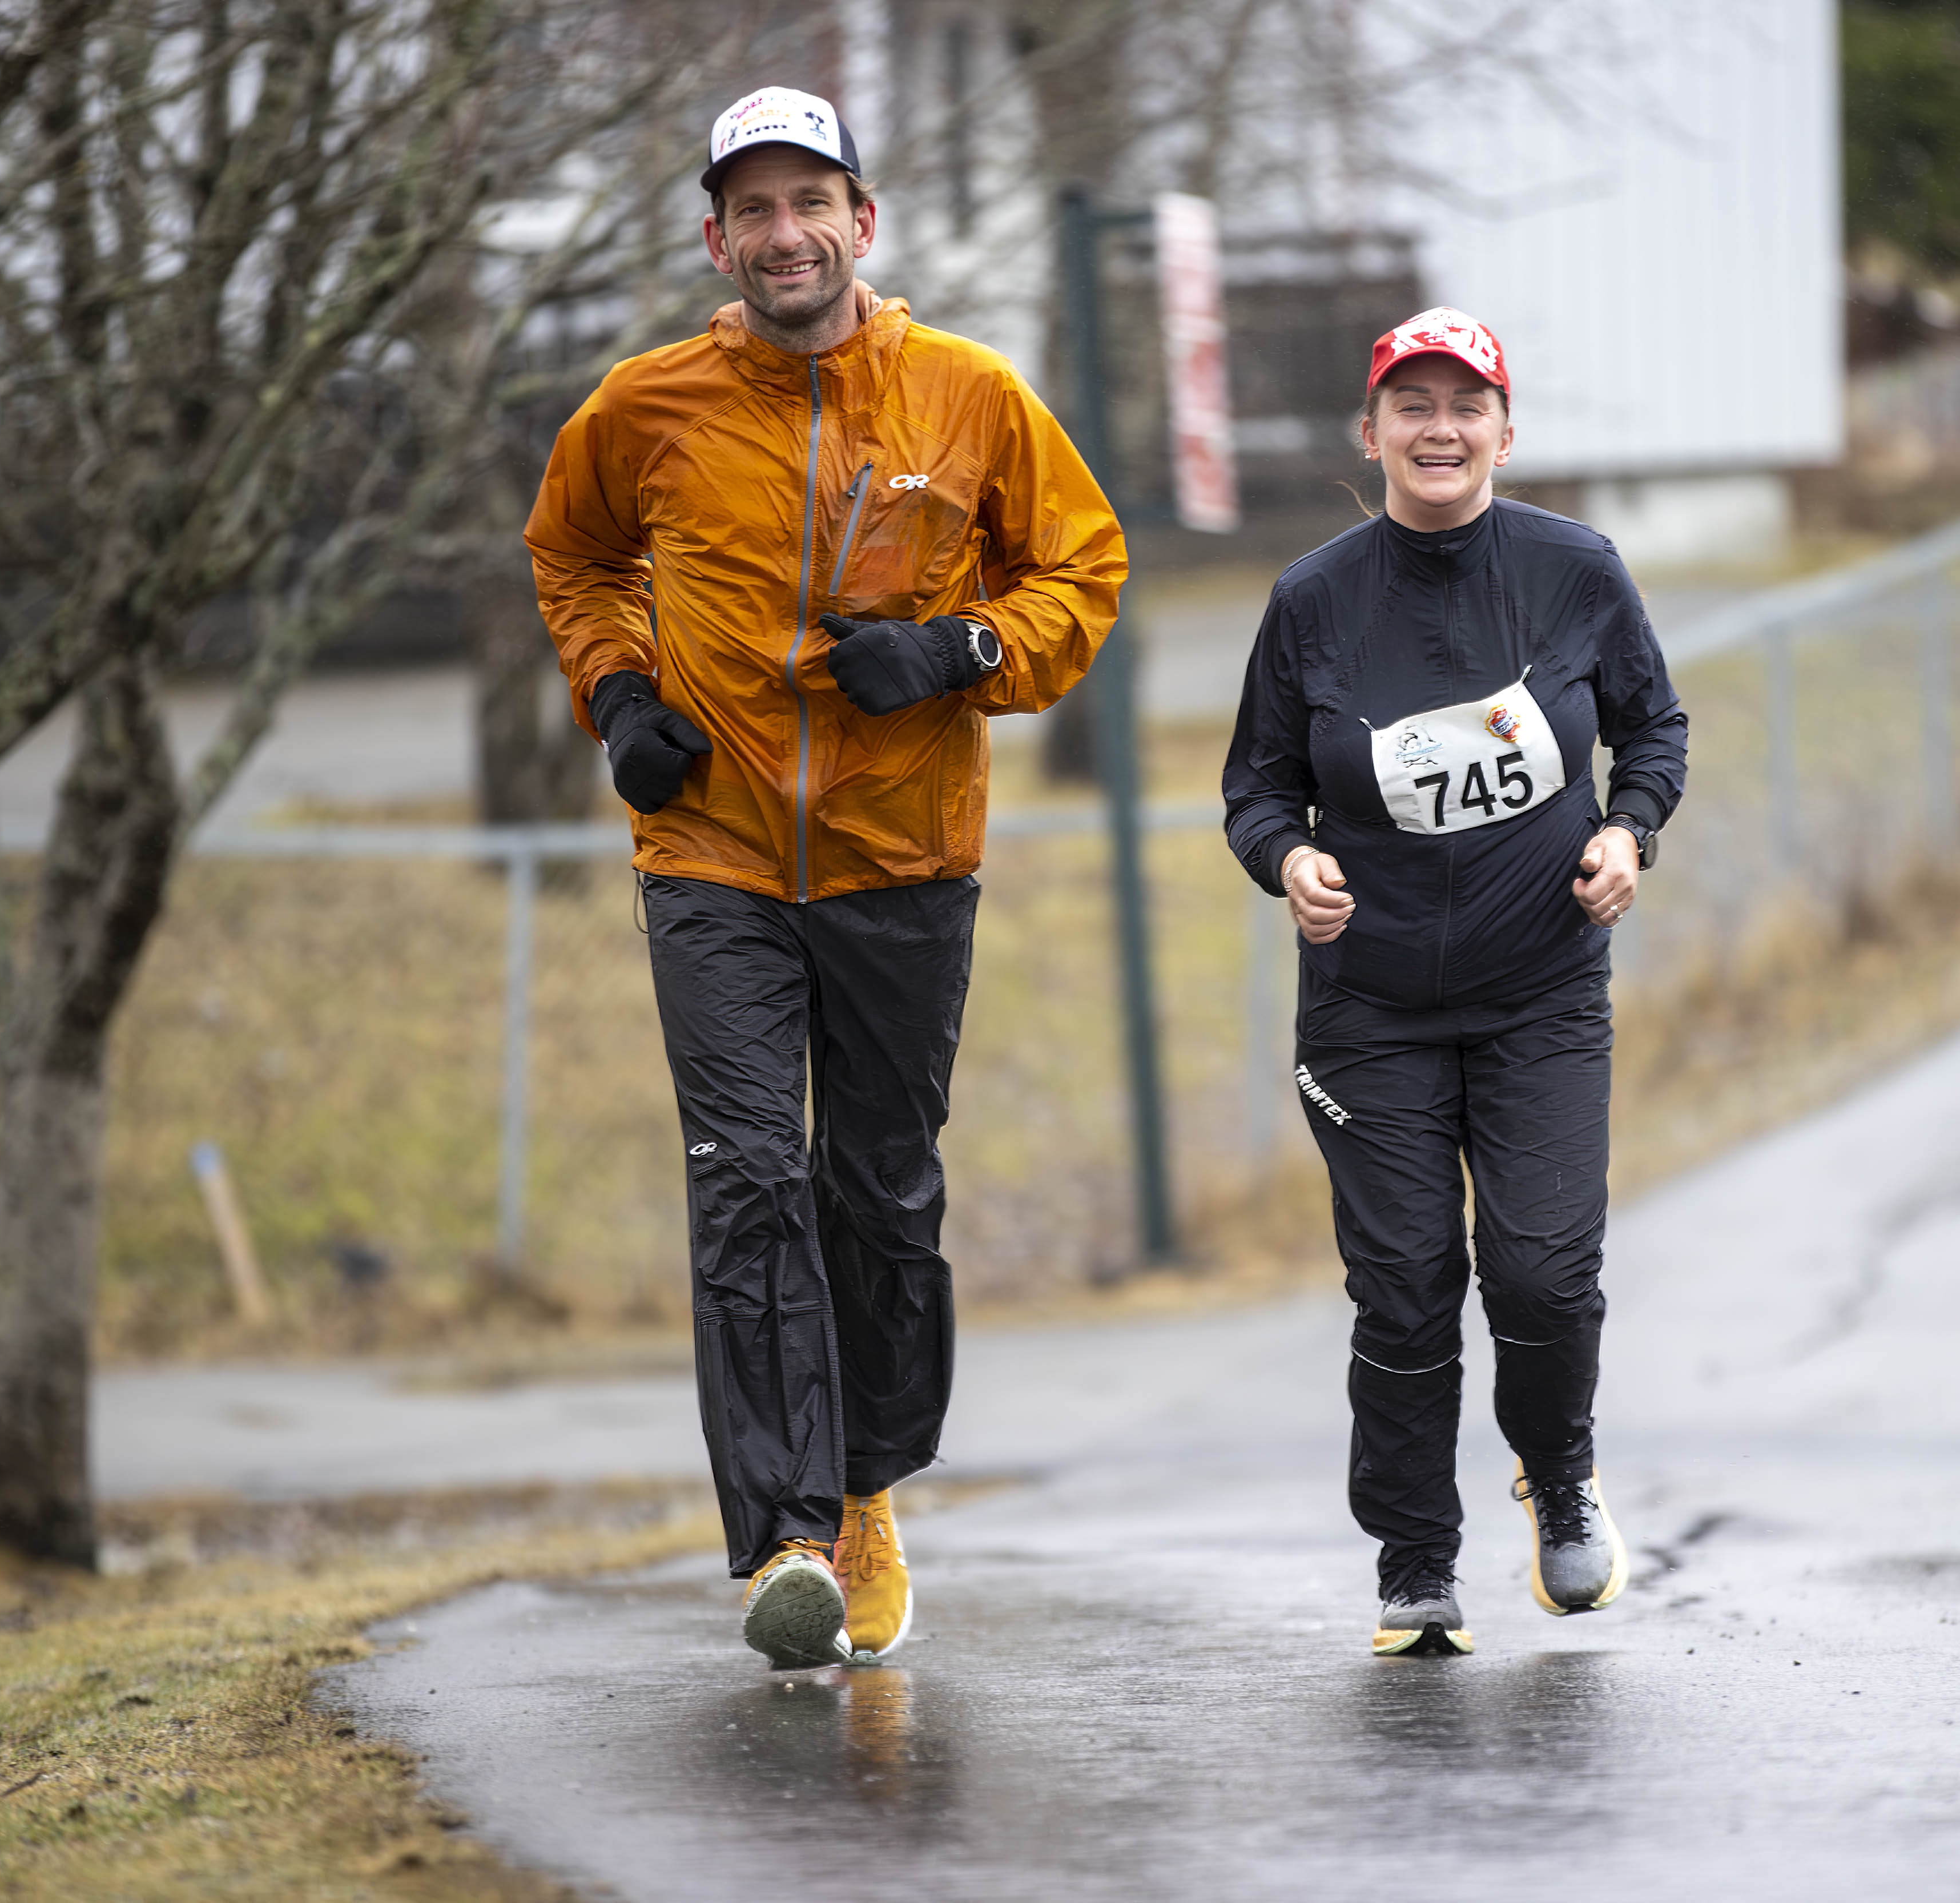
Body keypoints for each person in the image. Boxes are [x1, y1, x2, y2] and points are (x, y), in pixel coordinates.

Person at [527, 85, 1124, 1670]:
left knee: (881, 1191)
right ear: (713, 240)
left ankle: (865, 1491)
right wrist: (619, 694)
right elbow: (572, 555)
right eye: (752, 211)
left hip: (902, 856)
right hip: (710, 854)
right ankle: (786, 1535)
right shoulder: (643, 406)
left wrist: (959, 650)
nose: (783, 235)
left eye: (812, 203)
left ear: (864, 222)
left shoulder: (970, 393)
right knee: (745, 1179)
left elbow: (1085, 571)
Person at [1221, 308, 1688, 1656]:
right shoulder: (1312, 600)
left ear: (1504, 427)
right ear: (1368, 435)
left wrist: (1626, 827)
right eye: (1409, 406)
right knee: (1409, 1279)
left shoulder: (1573, 570)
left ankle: (1559, 1467)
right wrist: (1288, 857)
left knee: (1541, 1275)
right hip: (1369, 1008)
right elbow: (1258, 782)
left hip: (1541, 989)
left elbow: (1651, 724)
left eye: (1463, 404)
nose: (1438, 428)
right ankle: (1417, 1559)